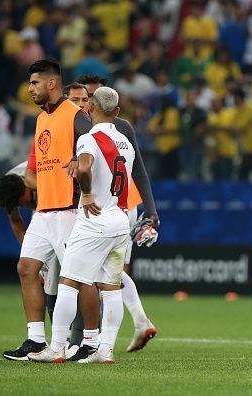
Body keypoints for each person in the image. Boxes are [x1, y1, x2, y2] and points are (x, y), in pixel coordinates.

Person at [28, 87, 134, 364]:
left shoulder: (88, 138)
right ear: (118, 112)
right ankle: (106, 350)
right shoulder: (126, 143)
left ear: (90, 108)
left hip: (95, 219)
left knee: (68, 282)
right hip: (119, 219)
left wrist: (85, 193)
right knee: (110, 287)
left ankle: (57, 347)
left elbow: (85, 167)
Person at [2, 59, 92, 361]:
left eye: (35, 83)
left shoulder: (76, 116)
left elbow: (93, 152)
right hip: (43, 211)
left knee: (80, 278)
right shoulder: (42, 120)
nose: (30, 89)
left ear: (52, 84)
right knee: (26, 268)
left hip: (68, 210)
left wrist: (80, 165)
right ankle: (36, 340)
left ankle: (90, 342)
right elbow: (33, 172)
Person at [77, 74, 158, 353]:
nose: (86, 103)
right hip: (125, 208)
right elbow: (140, 171)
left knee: (90, 273)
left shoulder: (87, 126)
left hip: (105, 207)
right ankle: (136, 321)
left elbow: (139, 171)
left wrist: (152, 209)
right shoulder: (122, 126)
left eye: (88, 98)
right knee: (112, 272)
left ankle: (89, 339)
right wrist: (151, 208)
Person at [0, 162, 59, 324]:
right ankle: (39, 337)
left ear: (25, 187)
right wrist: (33, 256)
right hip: (41, 209)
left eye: (21, 200)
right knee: (35, 269)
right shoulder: (10, 189)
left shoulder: (38, 177)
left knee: (62, 269)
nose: (22, 204)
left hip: (60, 199)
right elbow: (16, 221)